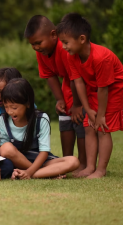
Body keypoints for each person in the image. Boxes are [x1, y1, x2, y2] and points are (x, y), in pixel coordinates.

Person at [56, 13, 123, 179]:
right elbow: (79, 82)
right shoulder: (71, 56)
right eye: (62, 42)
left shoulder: (101, 58)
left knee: (102, 127)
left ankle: (101, 170)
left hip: (114, 89)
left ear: (82, 39)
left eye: (66, 42)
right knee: (89, 125)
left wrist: (101, 115)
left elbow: (104, 89)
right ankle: (90, 167)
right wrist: (87, 109)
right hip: (95, 87)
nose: (63, 47)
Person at [24, 15, 86, 173]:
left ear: (53, 35)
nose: (36, 47)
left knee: (80, 122)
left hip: (82, 87)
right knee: (65, 120)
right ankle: (66, 161)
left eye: (38, 43)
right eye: (33, 44)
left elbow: (75, 78)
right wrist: (60, 100)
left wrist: (77, 105)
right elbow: (49, 76)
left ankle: (83, 164)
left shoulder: (65, 48)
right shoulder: (42, 53)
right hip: (68, 85)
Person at [0, 78, 79, 179]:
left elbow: (44, 152)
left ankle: (28, 174)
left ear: (28, 104)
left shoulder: (41, 119)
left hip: (41, 160)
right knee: (6, 148)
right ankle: (46, 174)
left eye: (14, 107)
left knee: (73, 161)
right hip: (17, 161)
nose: (10, 112)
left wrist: (29, 172)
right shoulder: (3, 120)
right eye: (6, 107)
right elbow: (4, 150)